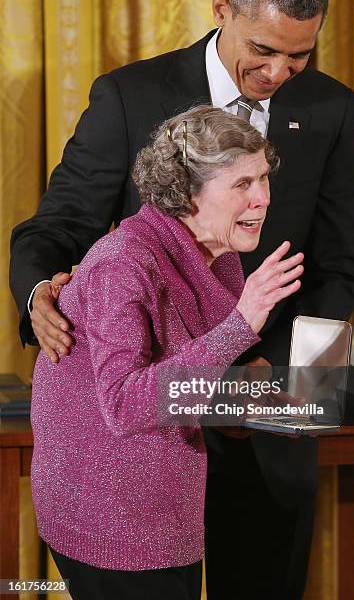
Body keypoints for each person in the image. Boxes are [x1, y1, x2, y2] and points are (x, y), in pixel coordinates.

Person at [10, 0, 354, 598]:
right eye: (262, 49)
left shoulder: (330, 106)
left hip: (263, 414)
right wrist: (42, 291)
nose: (277, 73)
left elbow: (338, 265)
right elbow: (60, 225)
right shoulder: (130, 95)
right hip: (143, 438)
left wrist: (288, 387)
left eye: (298, 56)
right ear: (221, 7)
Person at [31, 105, 304, 600]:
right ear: (187, 192)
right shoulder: (124, 264)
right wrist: (242, 324)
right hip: (109, 519)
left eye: (263, 178)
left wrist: (258, 405)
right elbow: (124, 404)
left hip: (167, 506)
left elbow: (191, 382)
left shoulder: (219, 259)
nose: (263, 199)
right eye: (242, 184)